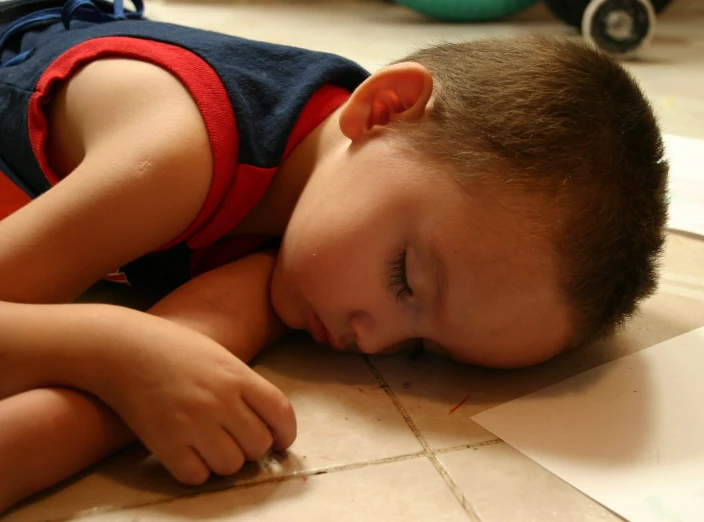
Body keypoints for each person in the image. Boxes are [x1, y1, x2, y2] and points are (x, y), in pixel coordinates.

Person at [0, 0, 669, 511]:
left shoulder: (325, 239)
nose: (370, 337)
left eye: (420, 350)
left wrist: (134, 371)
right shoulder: (175, 156)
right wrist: (108, 343)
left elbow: (163, 379)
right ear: (381, 110)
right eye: (404, 280)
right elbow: (131, 357)